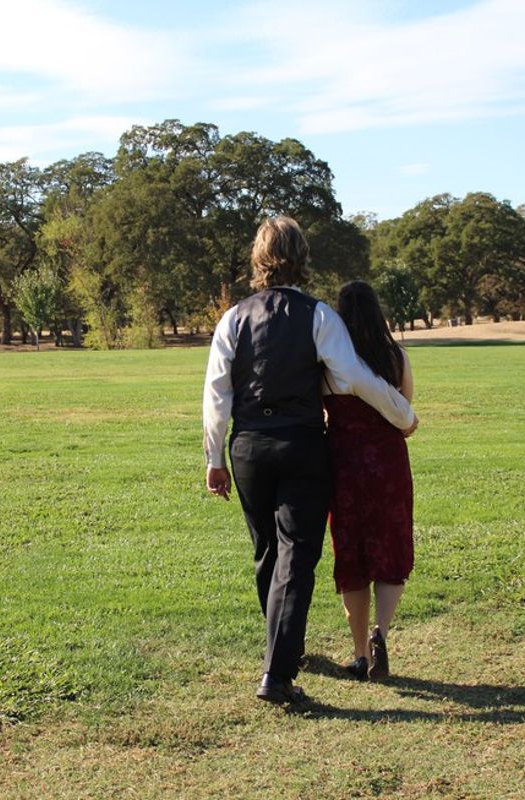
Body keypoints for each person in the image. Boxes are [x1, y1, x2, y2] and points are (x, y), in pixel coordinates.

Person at [202, 216, 417, 705]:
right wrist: (402, 414)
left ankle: (285, 652)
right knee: (297, 556)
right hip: (301, 443)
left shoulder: (233, 318)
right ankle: (277, 673)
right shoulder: (319, 316)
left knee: (267, 554)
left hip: (249, 446)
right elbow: (355, 378)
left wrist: (214, 457)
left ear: (258, 260)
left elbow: (217, 393)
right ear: (302, 256)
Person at [323, 281, 414, 681]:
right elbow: (406, 408)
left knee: (352, 553)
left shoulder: (330, 362)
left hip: (342, 460)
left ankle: (359, 652)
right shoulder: (395, 356)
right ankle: (381, 633)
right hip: (389, 460)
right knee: (390, 549)